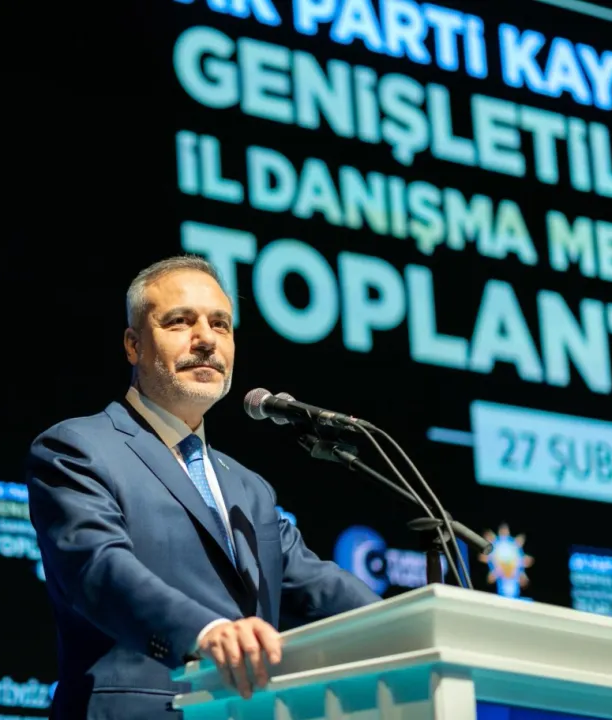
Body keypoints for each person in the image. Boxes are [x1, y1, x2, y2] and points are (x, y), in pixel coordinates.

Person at [26, 255, 381, 719]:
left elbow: (319, 588)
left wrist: (424, 621)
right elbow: (99, 569)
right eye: (179, 321)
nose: (206, 338)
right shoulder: (78, 448)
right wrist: (204, 632)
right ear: (133, 345)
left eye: (220, 324)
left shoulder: (250, 489)